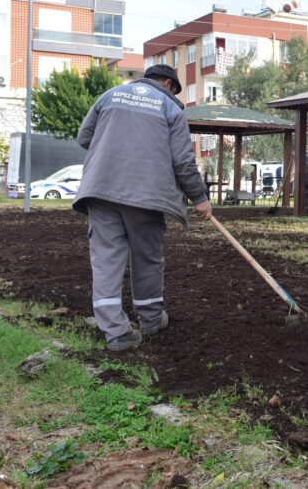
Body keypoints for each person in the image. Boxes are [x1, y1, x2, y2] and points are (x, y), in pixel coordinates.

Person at [73, 64, 212, 351]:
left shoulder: (109, 96)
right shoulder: (170, 109)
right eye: (174, 89)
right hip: (145, 196)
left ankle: (116, 333)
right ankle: (149, 319)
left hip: (101, 190)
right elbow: (183, 162)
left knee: (107, 260)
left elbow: (84, 137)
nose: (173, 94)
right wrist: (199, 197)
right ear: (166, 83)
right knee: (147, 257)